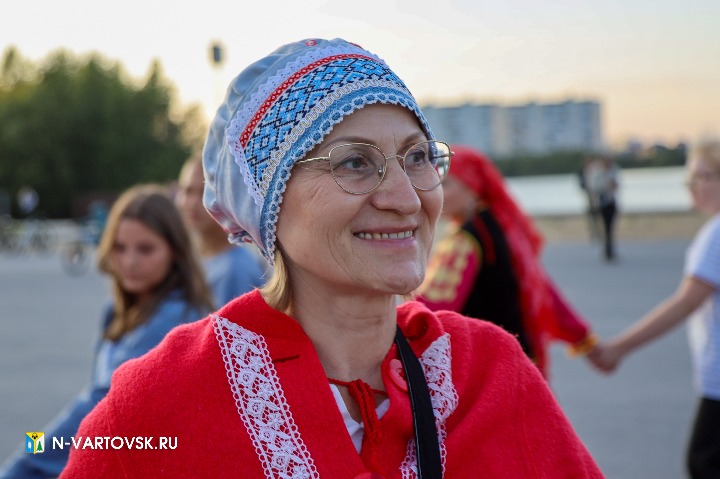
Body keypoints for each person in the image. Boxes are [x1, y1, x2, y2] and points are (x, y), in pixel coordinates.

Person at [61, 38, 603, 478]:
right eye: (354, 163)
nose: (407, 198)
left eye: (417, 156)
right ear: (269, 201)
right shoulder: (162, 401)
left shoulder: (489, 373)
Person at [0, 184, 214, 478]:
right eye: (119, 247)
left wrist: (27, 458)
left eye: (146, 249)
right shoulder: (119, 307)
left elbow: (96, 405)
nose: (130, 262)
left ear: (175, 250)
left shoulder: (174, 319)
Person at [588, 139, 720, 479]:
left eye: (702, 176)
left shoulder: (715, 235)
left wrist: (618, 348)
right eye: (690, 177)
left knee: (704, 462)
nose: (692, 186)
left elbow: (685, 302)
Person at [416, 145, 598, 379]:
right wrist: (583, 338)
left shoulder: (465, 239)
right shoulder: (503, 227)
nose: (435, 190)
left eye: (446, 183)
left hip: (489, 369)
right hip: (521, 363)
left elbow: (432, 308)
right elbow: (540, 287)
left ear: (473, 187)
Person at [175, 155, 266, 305]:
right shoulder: (186, 255)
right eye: (188, 191)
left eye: (205, 193)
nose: (193, 203)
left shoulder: (237, 270)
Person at [590, 156, 620, 261]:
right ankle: (607, 249)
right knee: (606, 227)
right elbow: (595, 187)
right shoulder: (599, 174)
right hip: (603, 203)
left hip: (611, 202)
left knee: (611, 227)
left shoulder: (613, 172)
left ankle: (610, 248)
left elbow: (617, 186)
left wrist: (613, 185)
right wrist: (606, 186)